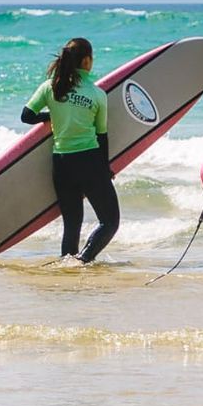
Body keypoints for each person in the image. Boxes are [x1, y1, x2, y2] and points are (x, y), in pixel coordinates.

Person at [21, 38, 118, 262]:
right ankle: (83, 260)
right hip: (89, 162)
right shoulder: (97, 94)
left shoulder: (50, 87)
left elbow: (26, 116)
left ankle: (67, 269)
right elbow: (101, 135)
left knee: (72, 224)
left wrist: (52, 116)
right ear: (86, 61)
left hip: (61, 163)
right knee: (110, 221)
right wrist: (106, 168)